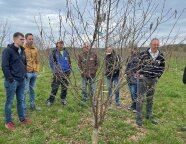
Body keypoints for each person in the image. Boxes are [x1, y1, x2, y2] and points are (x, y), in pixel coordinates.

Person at [2, 32, 32, 131]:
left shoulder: (22, 51)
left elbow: (24, 63)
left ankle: (22, 118)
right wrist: (10, 79)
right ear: (15, 40)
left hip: (22, 80)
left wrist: (25, 75)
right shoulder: (8, 51)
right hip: (12, 81)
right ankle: (8, 122)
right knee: (9, 102)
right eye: (21, 39)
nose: (23, 41)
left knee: (21, 100)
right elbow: (4, 66)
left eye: (23, 39)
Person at [136, 38, 165, 127]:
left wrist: (157, 77)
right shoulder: (143, 54)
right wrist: (140, 75)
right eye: (154, 44)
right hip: (143, 79)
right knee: (140, 98)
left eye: (157, 44)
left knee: (150, 98)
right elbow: (137, 65)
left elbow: (162, 67)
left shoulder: (161, 56)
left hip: (153, 80)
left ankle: (148, 115)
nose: (156, 46)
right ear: (150, 45)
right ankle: (139, 118)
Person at [46, 40, 71, 106]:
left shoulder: (66, 52)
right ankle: (51, 100)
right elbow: (51, 62)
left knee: (65, 87)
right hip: (57, 73)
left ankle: (63, 99)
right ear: (57, 44)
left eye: (62, 43)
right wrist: (55, 71)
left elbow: (69, 61)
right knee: (55, 87)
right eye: (59, 43)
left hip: (66, 72)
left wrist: (69, 69)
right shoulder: (54, 52)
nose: (61, 45)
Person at [23, 33, 41, 112]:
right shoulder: (22, 49)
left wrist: (37, 70)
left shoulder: (35, 49)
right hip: (26, 73)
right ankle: (23, 108)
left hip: (34, 73)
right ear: (26, 39)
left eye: (32, 39)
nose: (31, 40)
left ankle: (32, 106)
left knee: (32, 90)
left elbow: (37, 61)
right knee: (24, 91)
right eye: (29, 39)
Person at [125, 45, 139, 112]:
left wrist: (135, 75)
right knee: (131, 92)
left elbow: (139, 68)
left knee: (134, 92)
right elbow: (127, 66)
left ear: (134, 48)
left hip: (134, 77)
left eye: (130, 48)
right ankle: (133, 105)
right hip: (128, 77)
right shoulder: (129, 57)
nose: (129, 50)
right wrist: (126, 73)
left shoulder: (138, 57)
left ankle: (136, 107)